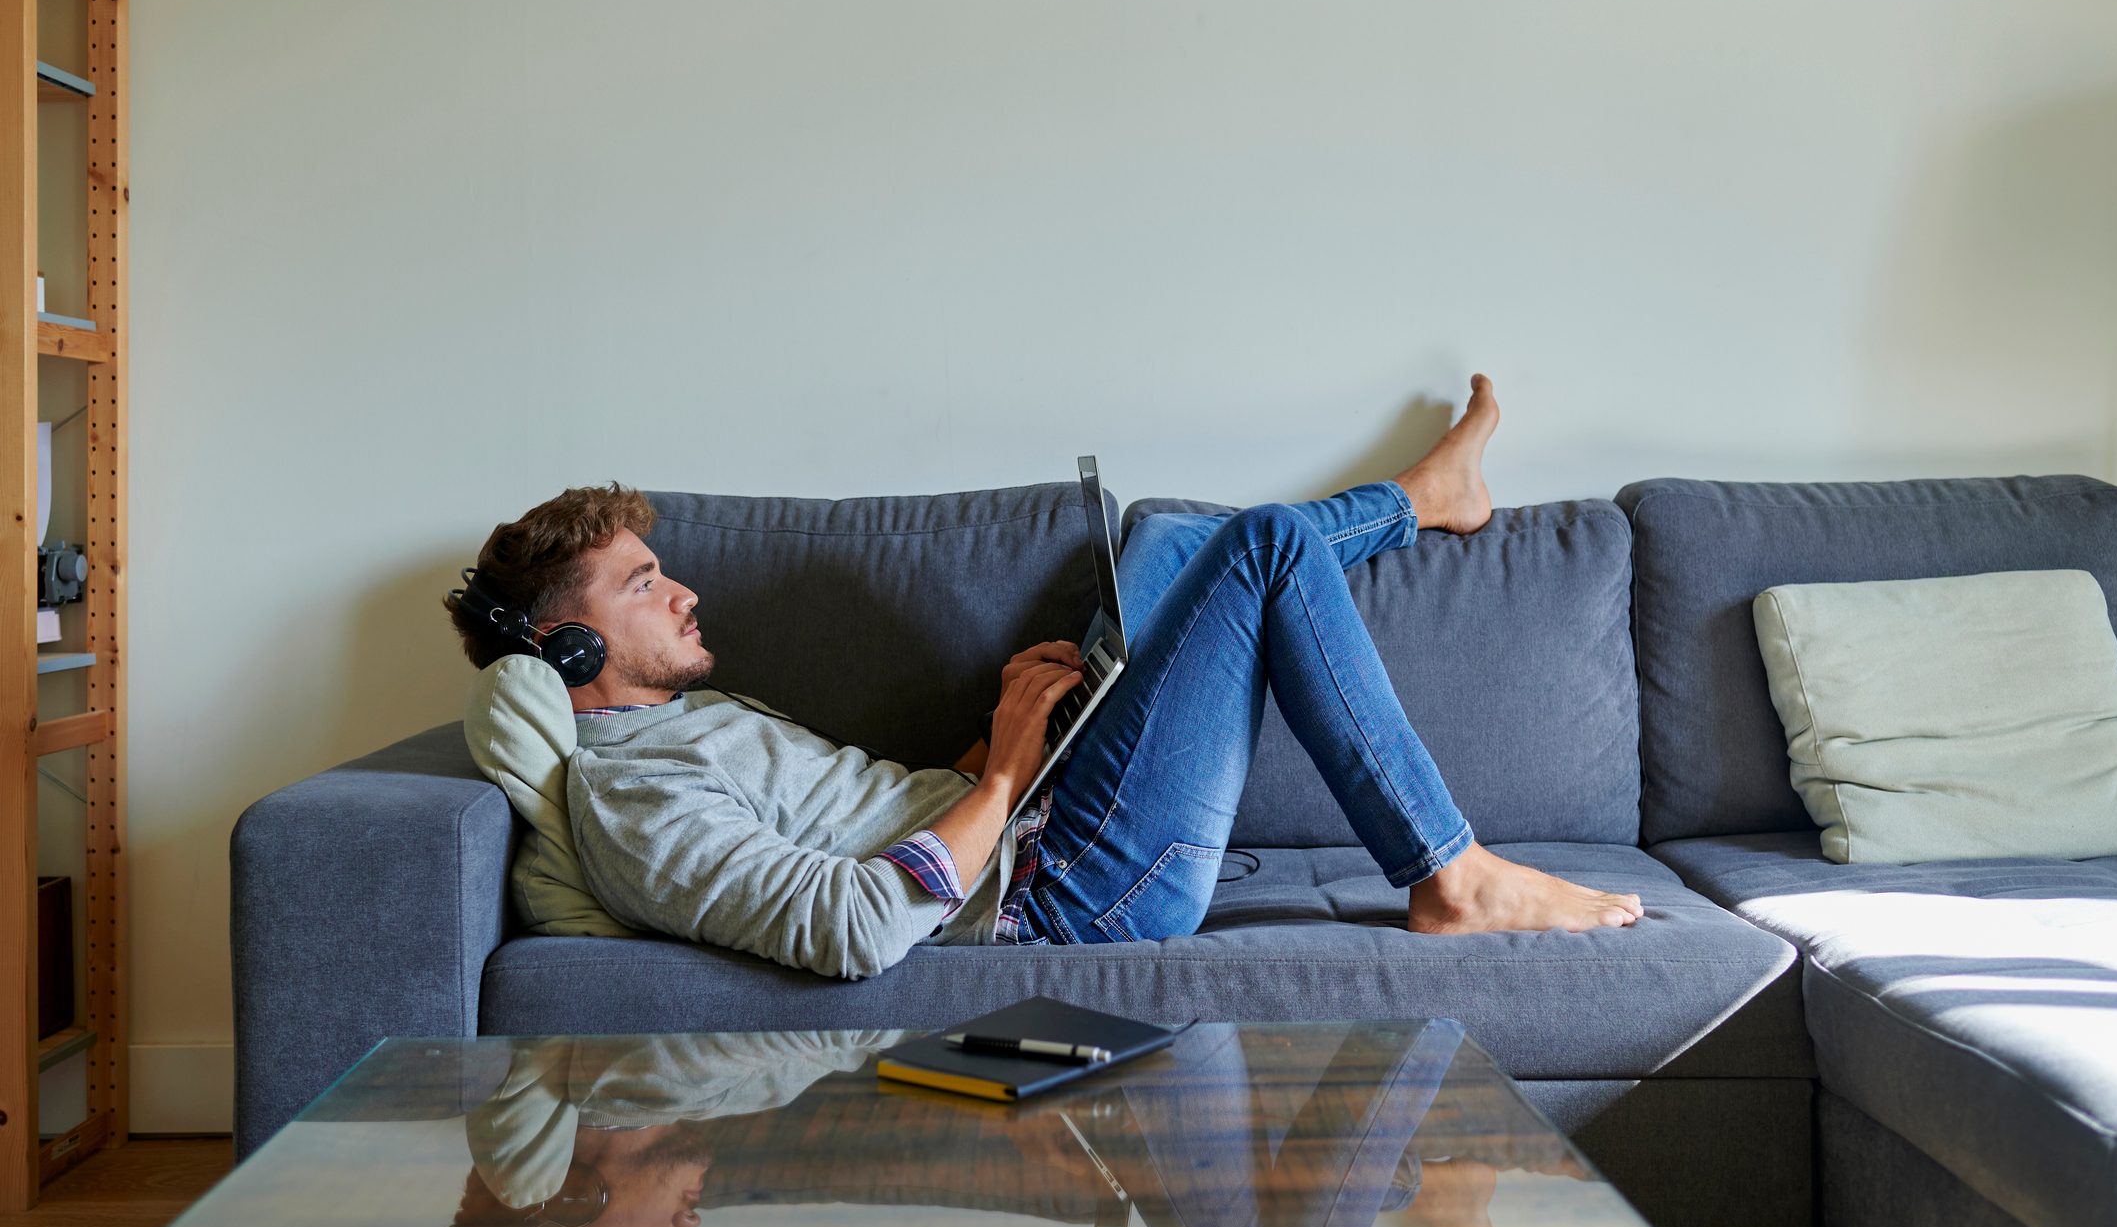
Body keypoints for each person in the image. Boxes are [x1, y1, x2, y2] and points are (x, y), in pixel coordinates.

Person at [444, 375, 1641, 981]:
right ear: (569, 646)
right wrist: (1012, 765)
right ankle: (1454, 873)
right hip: (1063, 893)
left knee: (1168, 544)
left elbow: (858, 824)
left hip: (1039, 822)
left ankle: (1423, 501)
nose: (684, 592)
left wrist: (992, 747)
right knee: (1263, 544)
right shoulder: (631, 794)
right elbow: (855, 923)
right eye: (642, 583)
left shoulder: (689, 721)